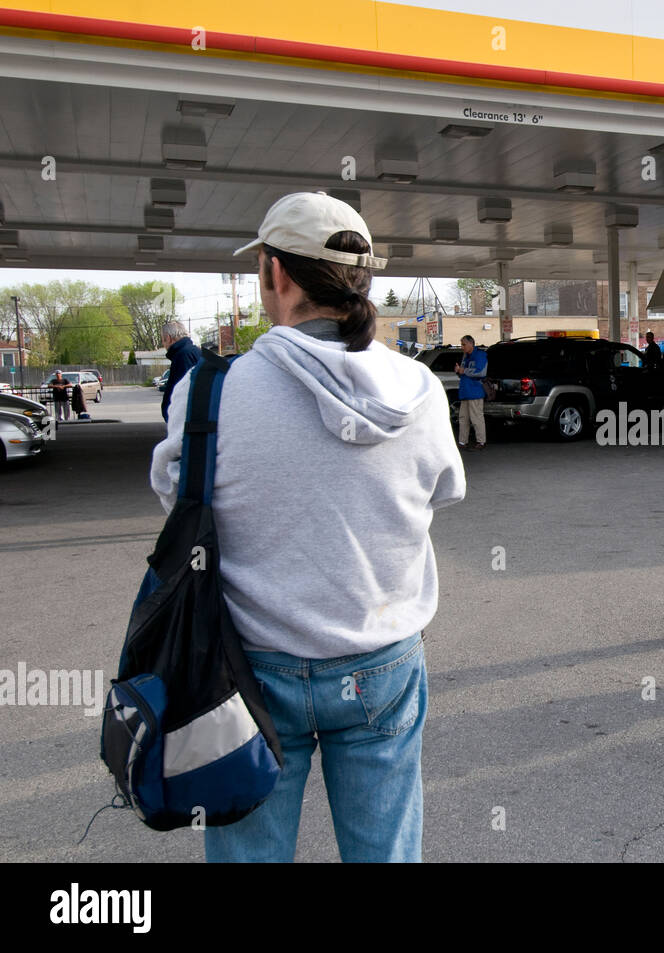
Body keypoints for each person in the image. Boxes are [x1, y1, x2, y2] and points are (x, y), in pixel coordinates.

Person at [151, 191, 466, 862]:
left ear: (278, 274)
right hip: (382, 664)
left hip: (247, 672)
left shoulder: (207, 393)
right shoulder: (419, 390)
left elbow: (175, 500)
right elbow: (445, 489)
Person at [160, 320, 203, 423]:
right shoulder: (194, 351)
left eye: (163, 340)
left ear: (169, 338)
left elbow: (183, 394)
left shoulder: (183, 356)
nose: (163, 344)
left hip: (187, 423)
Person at [455, 334, 488, 450]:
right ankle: (462, 442)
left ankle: (481, 441)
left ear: (471, 343)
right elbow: (463, 372)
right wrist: (458, 371)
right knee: (463, 418)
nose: (462, 347)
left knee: (476, 418)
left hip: (475, 391)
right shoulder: (465, 356)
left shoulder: (480, 355)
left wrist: (463, 371)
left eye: (463, 344)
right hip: (465, 391)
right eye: (461, 344)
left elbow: (481, 372)